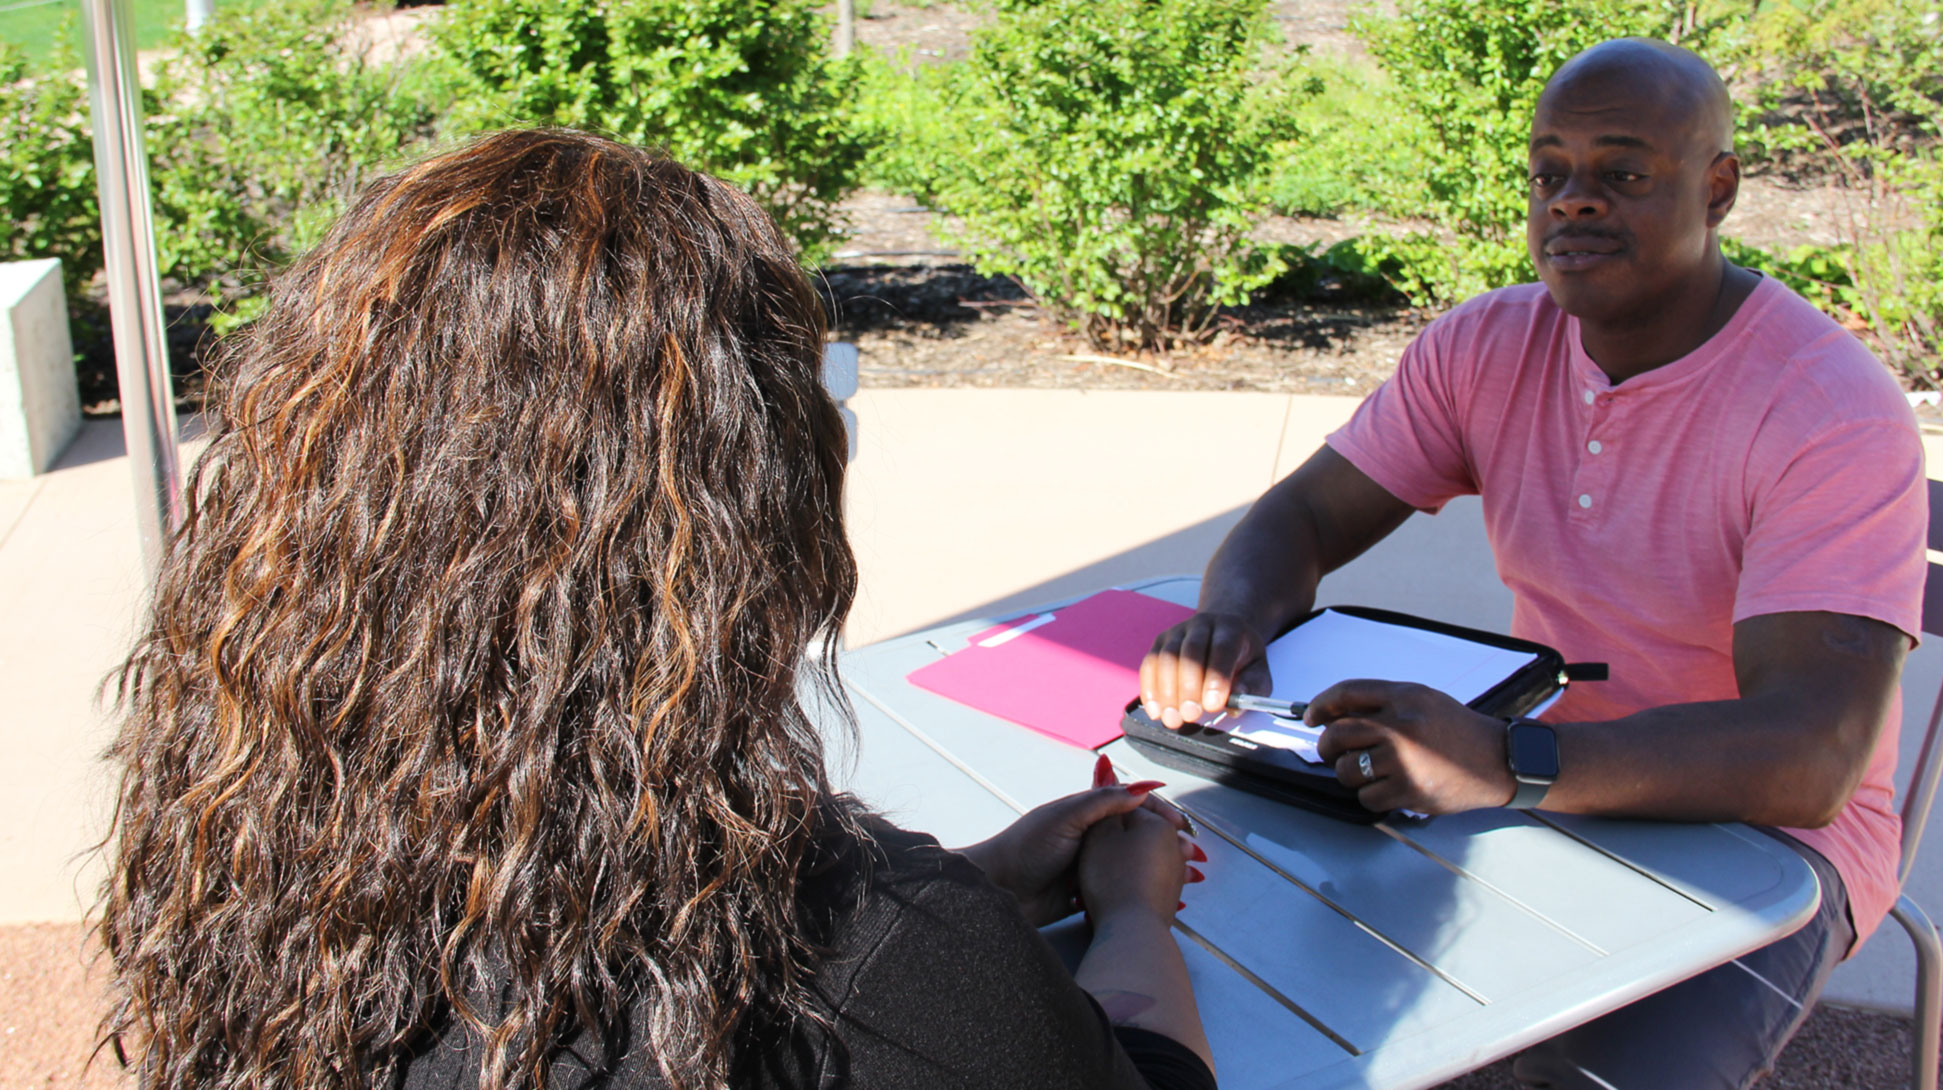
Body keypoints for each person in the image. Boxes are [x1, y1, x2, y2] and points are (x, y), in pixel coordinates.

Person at [101, 129, 1213, 1090]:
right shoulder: (857, 963)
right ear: (750, 515)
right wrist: (1126, 917)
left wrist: (973, 881)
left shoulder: (256, 854)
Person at [1140, 38, 1926, 1090]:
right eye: (1547, 171)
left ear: (1718, 186)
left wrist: (1509, 763)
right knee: (1227, 958)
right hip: (1523, 773)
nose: (1570, 202)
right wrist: (1229, 621)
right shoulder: (1486, 345)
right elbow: (1302, 516)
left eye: (1620, 172)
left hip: (1762, 842)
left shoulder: (1823, 409)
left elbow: (1810, 755)